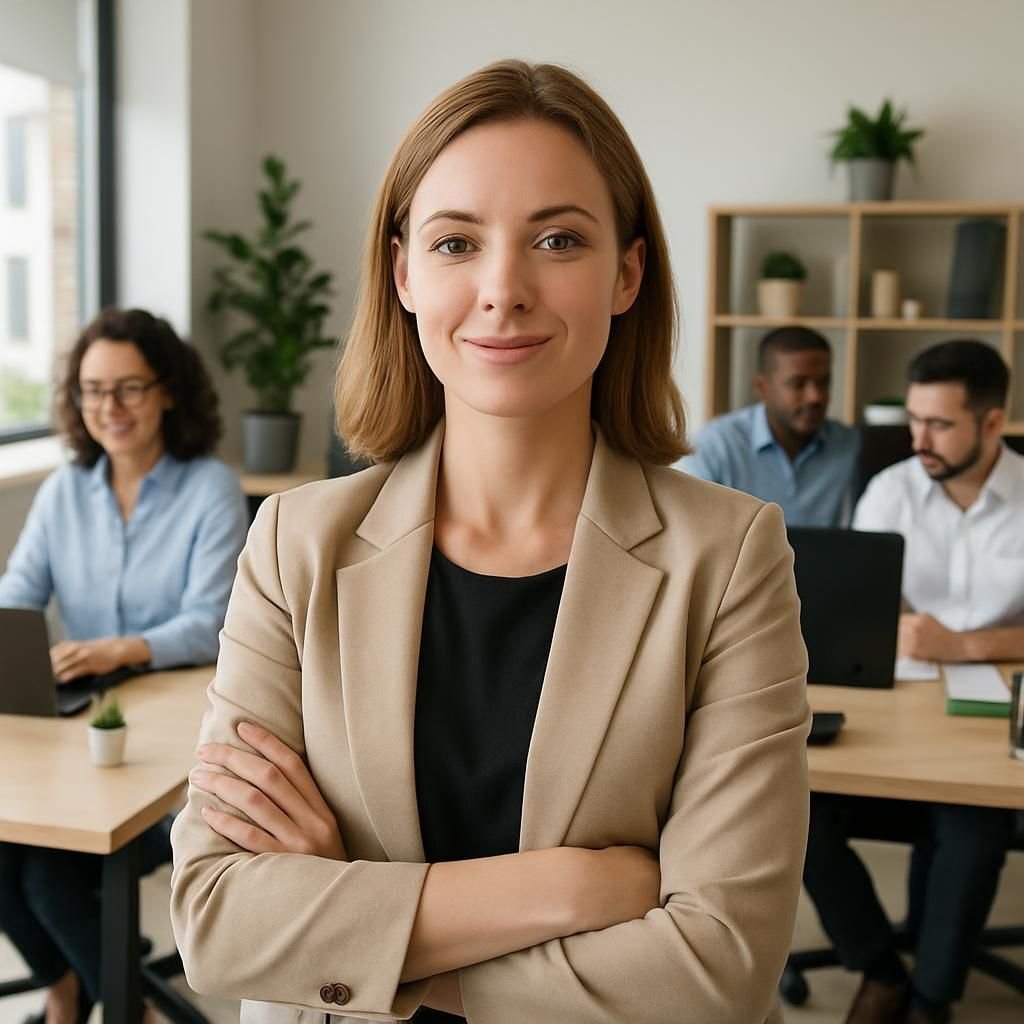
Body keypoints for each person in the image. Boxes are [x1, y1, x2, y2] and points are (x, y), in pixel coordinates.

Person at [170, 60, 810, 1024]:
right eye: (456, 242)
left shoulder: (728, 558)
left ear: (628, 272)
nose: (503, 289)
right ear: (403, 273)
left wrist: (348, 921)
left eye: (558, 238)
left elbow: (718, 969)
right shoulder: (296, 543)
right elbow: (218, 921)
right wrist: (573, 893)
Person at [0, 307, 248, 1024]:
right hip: (76, 726)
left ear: (168, 390)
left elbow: (212, 623)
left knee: (49, 873)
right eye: (92, 391)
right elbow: (17, 599)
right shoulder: (64, 491)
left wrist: (120, 648)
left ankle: (121, 1004)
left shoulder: (209, 489)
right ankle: (70, 983)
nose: (109, 408)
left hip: (165, 741)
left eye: (129, 388)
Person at [803, 340, 1022, 1024]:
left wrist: (966, 642)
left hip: (987, 711)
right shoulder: (890, 489)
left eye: (940, 424)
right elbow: (863, 603)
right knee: (790, 806)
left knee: (973, 826)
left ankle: (932, 1001)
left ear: (992, 423)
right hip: (893, 701)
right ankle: (878, 967)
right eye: (914, 419)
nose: (918, 439)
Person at [680, 326, 860, 526]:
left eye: (823, 382)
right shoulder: (715, 446)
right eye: (798, 384)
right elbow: (691, 529)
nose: (815, 396)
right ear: (763, 388)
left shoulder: (852, 445)